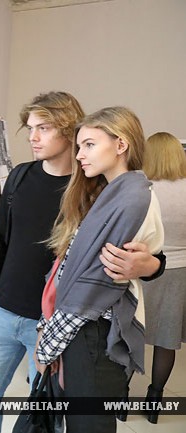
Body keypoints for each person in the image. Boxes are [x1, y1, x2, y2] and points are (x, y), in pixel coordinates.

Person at [0, 92, 165, 433]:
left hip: (51, 319)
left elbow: (142, 255)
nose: (33, 137)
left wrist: (151, 266)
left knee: (46, 408)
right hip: (2, 310)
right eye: (30, 128)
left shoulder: (98, 187)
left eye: (43, 128)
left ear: (67, 129)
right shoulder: (20, 177)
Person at [35, 107, 164, 433]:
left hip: (93, 333)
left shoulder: (131, 197)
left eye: (89, 145)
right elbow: (68, 267)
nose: (79, 155)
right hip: (80, 331)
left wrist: (49, 342)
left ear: (121, 145)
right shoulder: (107, 191)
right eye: (79, 146)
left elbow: (95, 285)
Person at [138, 132, 186, 423]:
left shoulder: (143, 189)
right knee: (166, 340)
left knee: (129, 335)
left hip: (141, 270)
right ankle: (154, 400)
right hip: (179, 273)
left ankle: (118, 399)